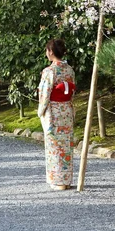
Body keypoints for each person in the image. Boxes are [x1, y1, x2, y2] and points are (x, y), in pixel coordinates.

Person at [37, 39, 76, 190]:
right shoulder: (70, 70)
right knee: (66, 145)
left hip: (53, 111)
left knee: (54, 146)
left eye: (47, 50)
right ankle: (66, 180)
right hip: (66, 109)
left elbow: (45, 93)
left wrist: (41, 111)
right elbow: (71, 91)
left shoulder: (49, 71)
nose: (47, 53)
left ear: (51, 52)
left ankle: (58, 181)